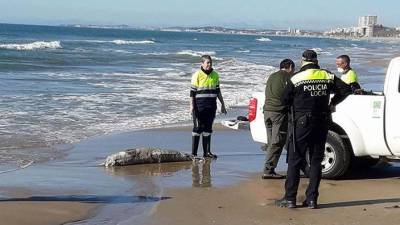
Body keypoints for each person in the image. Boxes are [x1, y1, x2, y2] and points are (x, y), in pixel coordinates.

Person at [275, 50, 351, 209]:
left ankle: (289, 198)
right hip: (322, 121)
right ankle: (312, 199)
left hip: (302, 122)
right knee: (316, 161)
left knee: (295, 160)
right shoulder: (327, 76)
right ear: (316, 61)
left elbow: (284, 99)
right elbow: (346, 89)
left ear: (302, 61)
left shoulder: (296, 78)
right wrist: (332, 104)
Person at [262, 59, 295, 179]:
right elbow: (287, 95)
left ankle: (269, 168)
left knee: (271, 142)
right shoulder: (287, 78)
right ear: (290, 67)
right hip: (278, 112)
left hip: (267, 111)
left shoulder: (272, 76)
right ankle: (268, 170)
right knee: (277, 142)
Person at [190, 55, 227, 158]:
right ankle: (194, 154)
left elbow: (218, 91)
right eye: (207, 63)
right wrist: (191, 106)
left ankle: (207, 153)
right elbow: (192, 92)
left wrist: (223, 104)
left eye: (210, 63)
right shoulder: (197, 75)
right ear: (202, 64)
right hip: (199, 107)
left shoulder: (215, 75)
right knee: (197, 129)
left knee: (208, 129)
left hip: (211, 106)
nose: (209, 65)